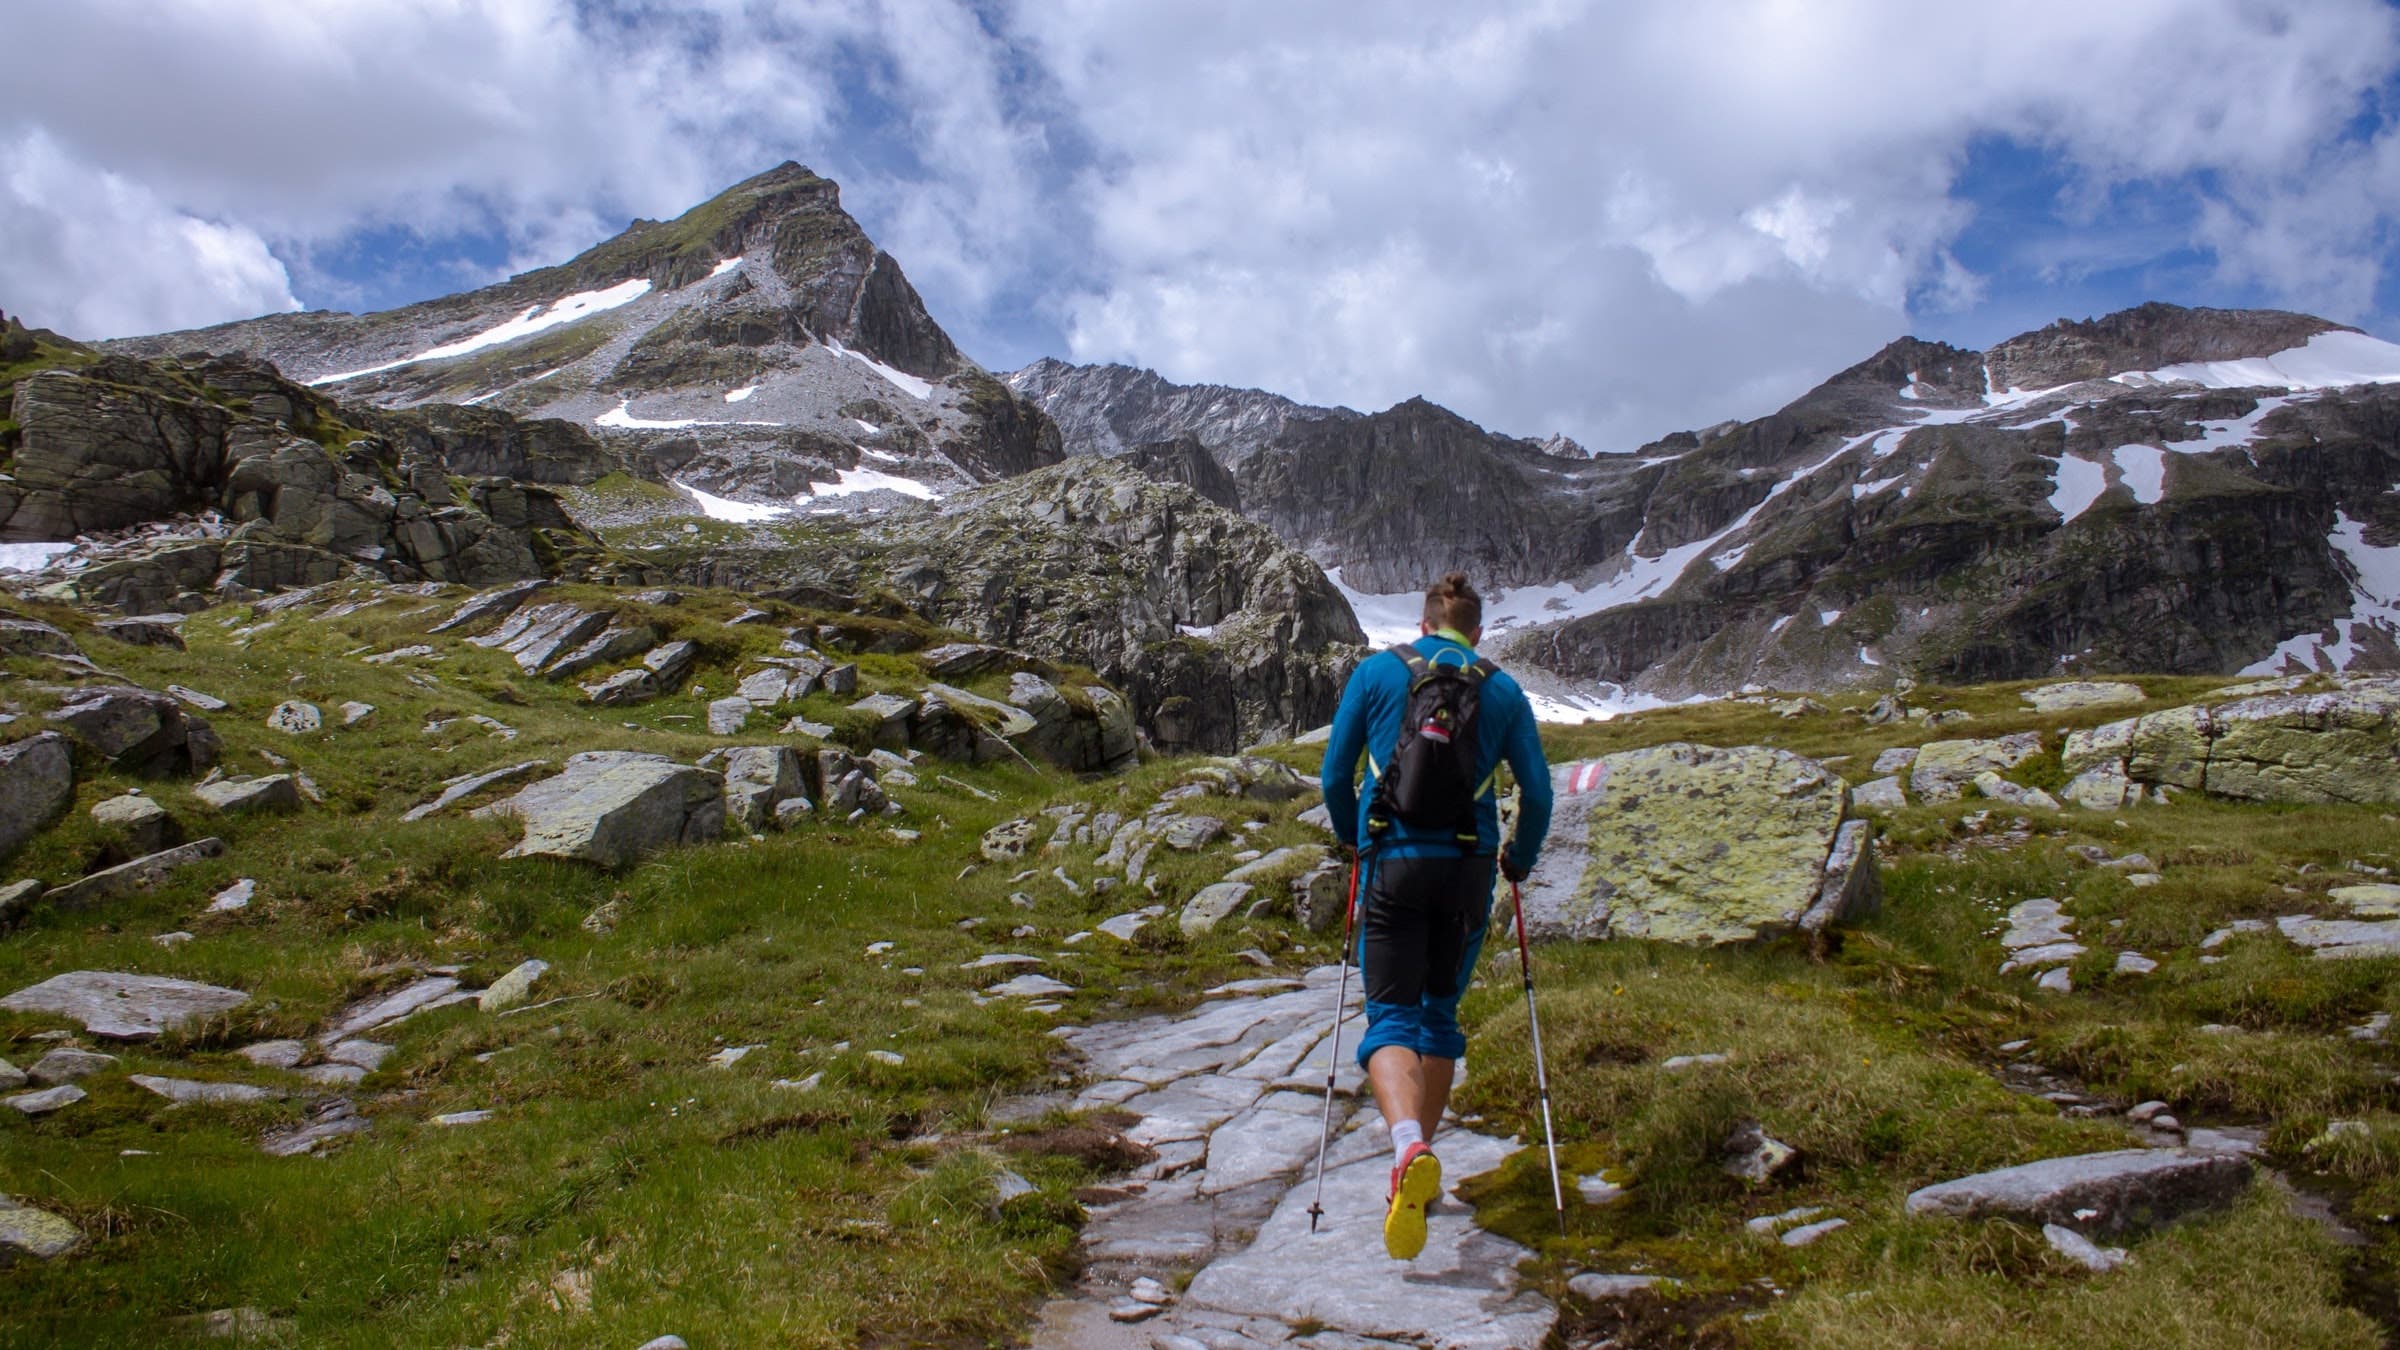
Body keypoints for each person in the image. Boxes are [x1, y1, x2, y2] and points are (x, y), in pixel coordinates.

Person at [1319, 572, 1553, 1261]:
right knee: (1438, 1015)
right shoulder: (1503, 690)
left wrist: (1351, 833)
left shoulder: (1375, 674)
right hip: (1469, 867)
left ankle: (1406, 1148)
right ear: (1477, 634)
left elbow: (1336, 774)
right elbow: (1536, 793)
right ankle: (1417, 1174)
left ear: (1422, 627)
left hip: (1391, 859)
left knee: (1389, 1015)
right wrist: (1521, 859)